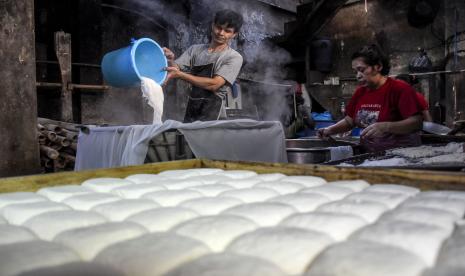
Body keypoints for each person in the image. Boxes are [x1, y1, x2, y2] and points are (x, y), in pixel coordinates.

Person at [318, 44, 423, 152]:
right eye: (355, 72)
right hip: (370, 155)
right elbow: (350, 121)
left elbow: (416, 122)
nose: (358, 76)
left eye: (361, 70)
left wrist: (386, 127)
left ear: (378, 66)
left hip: (400, 155)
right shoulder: (360, 92)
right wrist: (329, 130)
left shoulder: (399, 89)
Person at [162, 9, 243, 123]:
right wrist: (170, 60)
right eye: (219, 27)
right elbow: (176, 69)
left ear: (234, 34)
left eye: (227, 31)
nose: (221, 33)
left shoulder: (233, 57)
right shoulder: (195, 50)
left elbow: (214, 84)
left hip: (213, 115)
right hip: (192, 108)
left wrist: (180, 75)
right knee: (187, 139)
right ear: (212, 25)